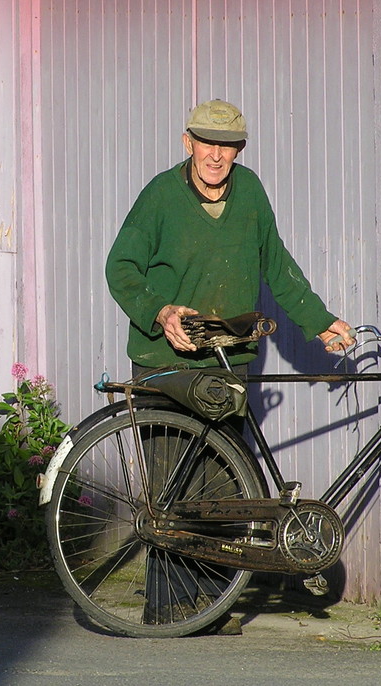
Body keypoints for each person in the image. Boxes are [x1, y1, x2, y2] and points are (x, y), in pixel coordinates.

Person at [104, 99, 355, 626]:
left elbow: (278, 266)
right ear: (187, 142)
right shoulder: (161, 196)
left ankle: (211, 606)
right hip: (164, 359)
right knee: (171, 487)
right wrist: (160, 310)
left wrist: (319, 320)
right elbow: (121, 266)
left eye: (227, 146)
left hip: (228, 358)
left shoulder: (252, 193)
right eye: (206, 142)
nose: (215, 156)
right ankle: (169, 606)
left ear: (239, 150)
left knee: (220, 488)